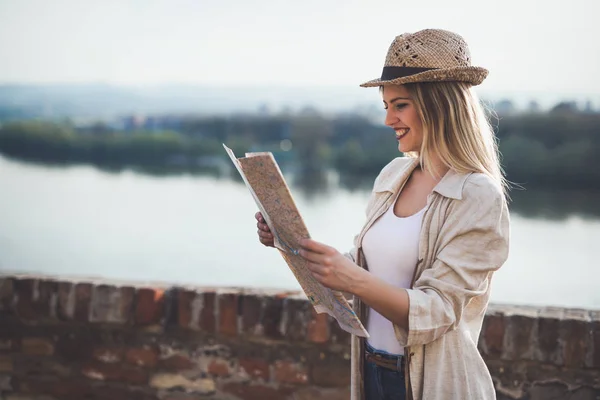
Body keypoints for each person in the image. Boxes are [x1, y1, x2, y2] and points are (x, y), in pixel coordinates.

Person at [255, 28, 509, 400]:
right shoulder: (393, 174)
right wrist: (287, 241)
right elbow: (364, 268)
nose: (389, 119)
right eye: (386, 106)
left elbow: (438, 309)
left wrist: (353, 278)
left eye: (400, 105)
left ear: (441, 105)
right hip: (372, 369)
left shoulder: (477, 195)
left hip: (434, 382)